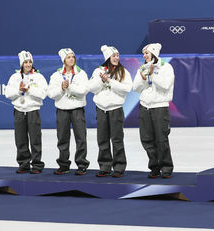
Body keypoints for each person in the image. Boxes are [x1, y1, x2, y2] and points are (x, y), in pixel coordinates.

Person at [133, 43, 175, 179]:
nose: (144, 56)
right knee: (146, 139)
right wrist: (143, 79)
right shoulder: (142, 68)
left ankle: (166, 167)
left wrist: (152, 75)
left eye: (146, 53)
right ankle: (154, 167)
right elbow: (135, 88)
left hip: (160, 107)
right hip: (145, 107)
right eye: (143, 54)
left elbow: (165, 85)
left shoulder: (166, 67)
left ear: (154, 53)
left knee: (161, 139)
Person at [88, 46, 131, 178]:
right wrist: (102, 80)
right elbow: (92, 88)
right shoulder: (98, 71)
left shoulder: (123, 71)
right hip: (101, 109)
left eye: (118, 55)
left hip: (115, 109)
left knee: (117, 139)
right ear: (108, 57)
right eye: (114, 56)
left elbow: (127, 89)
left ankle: (119, 167)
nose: (117, 58)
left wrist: (110, 81)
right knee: (102, 139)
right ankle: (105, 166)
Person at [47, 48, 90, 175]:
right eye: (68, 57)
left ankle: (81, 164)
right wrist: (61, 88)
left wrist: (70, 87)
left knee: (81, 138)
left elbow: (84, 91)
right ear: (63, 60)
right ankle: (63, 164)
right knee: (62, 139)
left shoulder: (81, 74)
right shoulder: (56, 75)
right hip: (62, 110)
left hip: (77, 109)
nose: (71, 59)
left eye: (73, 57)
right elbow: (51, 94)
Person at [5, 51, 47, 174]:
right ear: (21, 64)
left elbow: (43, 94)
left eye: (30, 62)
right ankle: (24, 164)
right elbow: (8, 93)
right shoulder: (15, 77)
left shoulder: (39, 77)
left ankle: (37, 164)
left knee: (35, 139)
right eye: (25, 62)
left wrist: (29, 90)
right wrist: (19, 91)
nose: (28, 64)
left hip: (33, 110)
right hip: (19, 110)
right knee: (20, 139)